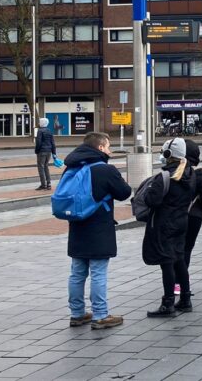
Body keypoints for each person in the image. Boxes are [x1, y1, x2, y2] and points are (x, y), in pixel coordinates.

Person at [64, 132, 132, 330]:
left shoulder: (73, 166)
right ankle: (100, 315)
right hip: (99, 227)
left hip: (77, 225)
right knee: (98, 272)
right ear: (101, 148)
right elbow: (124, 192)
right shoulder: (104, 169)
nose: (110, 150)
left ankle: (77, 314)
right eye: (108, 147)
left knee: (77, 272)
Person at [142, 138, 202, 317]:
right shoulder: (190, 174)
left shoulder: (164, 177)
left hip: (164, 225)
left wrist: (149, 191)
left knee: (167, 263)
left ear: (168, 154)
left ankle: (168, 303)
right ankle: (185, 299)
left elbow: (151, 200)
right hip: (181, 222)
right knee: (179, 260)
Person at [181, 140, 202, 309]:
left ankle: (174, 283)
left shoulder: (173, 173)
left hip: (175, 217)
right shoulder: (200, 174)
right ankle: (181, 283)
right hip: (193, 216)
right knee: (186, 249)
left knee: (175, 248)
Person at [35, 117, 57, 191]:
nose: (38, 123)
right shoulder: (49, 131)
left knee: (41, 167)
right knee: (46, 167)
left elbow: (38, 142)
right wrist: (54, 153)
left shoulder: (40, 131)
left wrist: (37, 151)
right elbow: (53, 143)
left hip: (42, 151)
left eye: (39, 122)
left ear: (42, 123)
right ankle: (49, 184)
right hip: (49, 152)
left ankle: (43, 185)